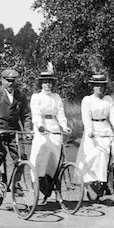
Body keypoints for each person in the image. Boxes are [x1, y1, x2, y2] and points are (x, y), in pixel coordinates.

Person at [0, 68, 32, 191]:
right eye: (8, 80)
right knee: (0, 153)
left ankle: (16, 182)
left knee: (21, 157)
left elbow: (26, 115)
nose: (10, 83)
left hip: (14, 131)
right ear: (2, 80)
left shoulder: (20, 96)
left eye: (13, 81)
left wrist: (28, 130)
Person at [75, 74, 114, 200]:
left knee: (108, 155)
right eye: (97, 85)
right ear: (93, 87)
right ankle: (91, 184)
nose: (99, 88)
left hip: (105, 128)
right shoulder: (87, 100)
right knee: (95, 156)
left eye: (101, 85)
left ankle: (105, 183)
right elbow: (86, 117)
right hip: (93, 130)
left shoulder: (108, 100)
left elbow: (113, 116)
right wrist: (90, 131)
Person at [29, 71, 71, 203]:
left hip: (54, 128)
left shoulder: (56, 97)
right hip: (41, 129)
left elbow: (60, 114)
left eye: (50, 82)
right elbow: (35, 114)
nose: (48, 85)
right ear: (41, 83)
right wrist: (40, 126)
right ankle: (38, 184)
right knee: (41, 158)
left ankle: (56, 188)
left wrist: (64, 126)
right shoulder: (36, 97)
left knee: (56, 160)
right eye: (45, 82)